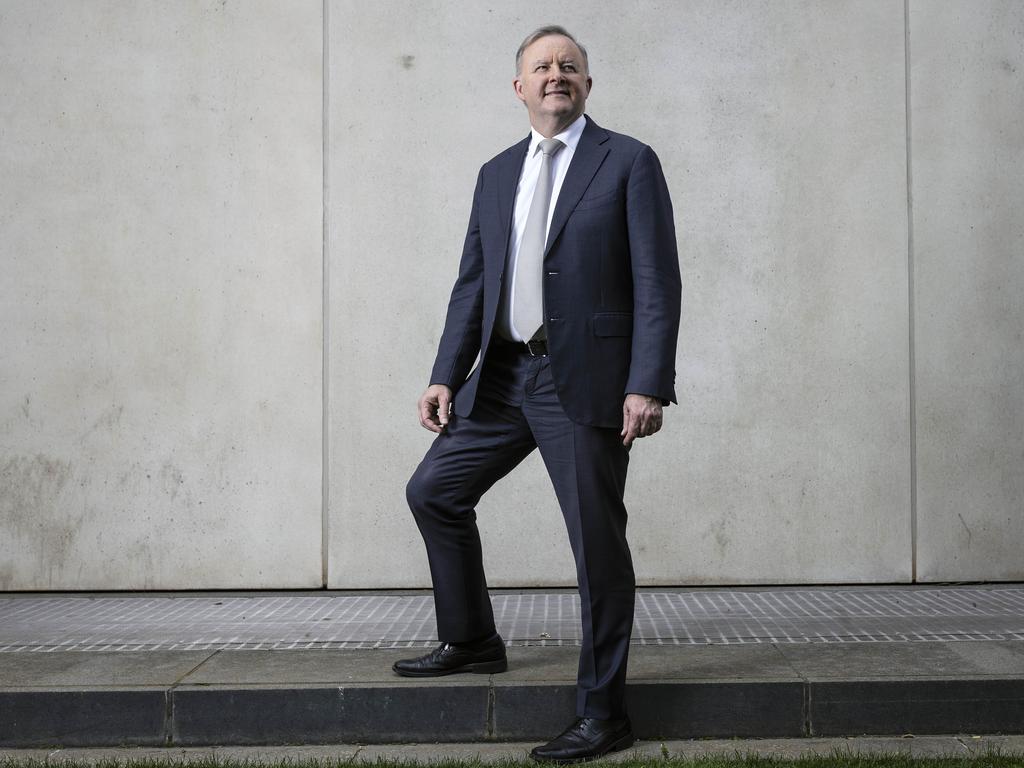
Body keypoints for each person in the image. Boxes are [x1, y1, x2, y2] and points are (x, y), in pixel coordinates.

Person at [394, 25, 681, 764]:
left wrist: (647, 382)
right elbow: (473, 284)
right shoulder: (496, 173)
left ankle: (603, 712)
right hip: (502, 378)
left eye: (569, 66)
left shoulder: (628, 162)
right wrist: (443, 375)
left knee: (595, 545)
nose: (556, 75)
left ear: (588, 83)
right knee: (434, 492)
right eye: (542, 67)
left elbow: (657, 281)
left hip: (581, 379)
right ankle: (473, 638)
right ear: (518, 87)